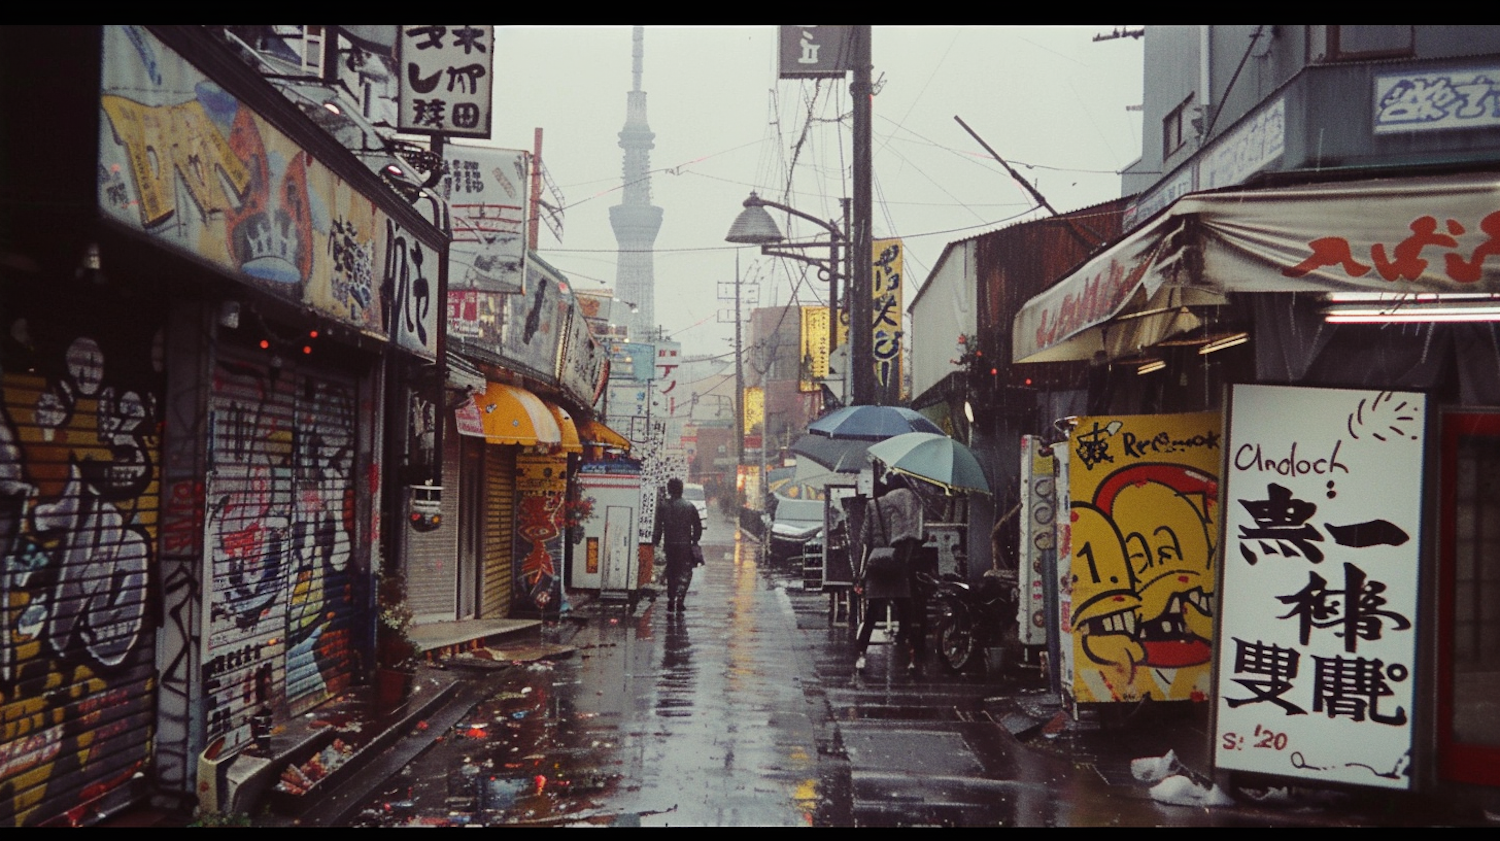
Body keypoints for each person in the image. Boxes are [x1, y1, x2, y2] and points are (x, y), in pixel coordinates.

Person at [853, 475, 926, 674]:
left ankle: (861, 656)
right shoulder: (910, 505)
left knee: (871, 614)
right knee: (906, 613)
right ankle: (913, 660)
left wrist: (860, 573)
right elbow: (918, 536)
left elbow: (864, 539)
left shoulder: (874, 506)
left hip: (877, 564)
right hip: (898, 564)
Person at [653, 477, 704, 613]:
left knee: (671, 572)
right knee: (685, 572)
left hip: (670, 545)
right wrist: (694, 540)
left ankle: (671, 599)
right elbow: (698, 527)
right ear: (681, 490)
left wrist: (656, 542)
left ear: (669, 490)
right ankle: (680, 599)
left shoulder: (663, 506)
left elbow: (658, 527)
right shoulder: (689, 506)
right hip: (684, 545)